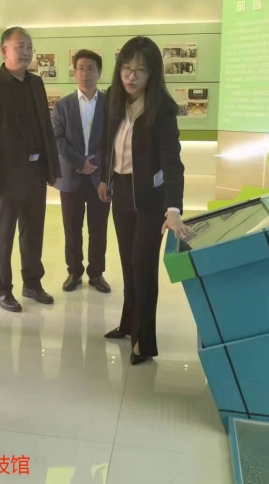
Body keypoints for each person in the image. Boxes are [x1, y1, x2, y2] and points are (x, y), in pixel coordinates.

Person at [98, 36, 189, 366]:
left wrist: (173, 209)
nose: (131, 76)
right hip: (121, 191)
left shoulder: (162, 108)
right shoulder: (114, 98)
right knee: (127, 262)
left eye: (140, 70)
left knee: (143, 267)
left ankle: (144, 342)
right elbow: (106, 142)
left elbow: (172, 161)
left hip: (151, 199)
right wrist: (105, 179)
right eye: (126, 67)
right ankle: (128, 324)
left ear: (153, 73)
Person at [0, 27, 61, 312]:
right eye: (19, 47)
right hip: (5, 176)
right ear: (4, 51)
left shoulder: (36, 83)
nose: (25, 52)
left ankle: (32, 283)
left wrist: (52, 168)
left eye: (29, 47)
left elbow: (45, 127)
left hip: (35, 171)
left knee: (33, 231)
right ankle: (1, 289)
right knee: (3, 234)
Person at [52, 49, 111, 294]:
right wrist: (79, 162)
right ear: (74, 73)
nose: (85, 73)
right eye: (81, 68)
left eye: (90, 69)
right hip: (71, 177)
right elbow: (57, 138)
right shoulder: (62, 105)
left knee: (99, 229)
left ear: (99, 73)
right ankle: (74, 272)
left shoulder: (110, 104)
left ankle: (96, 273)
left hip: (101, 178)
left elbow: (113, 139)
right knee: (72, 229)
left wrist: (97, 165)